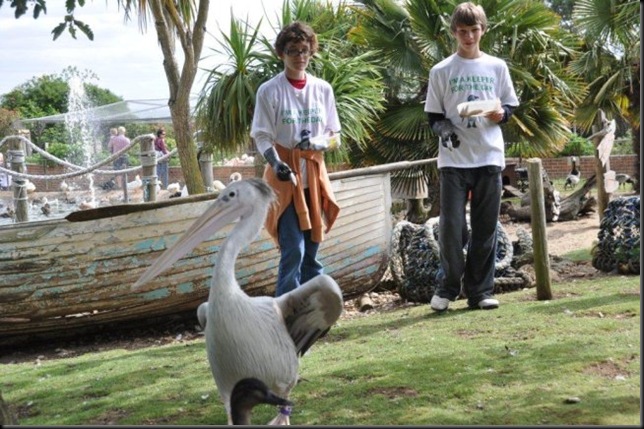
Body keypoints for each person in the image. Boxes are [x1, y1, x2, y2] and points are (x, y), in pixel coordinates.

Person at [424, 2, 519, 312]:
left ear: (483, 30)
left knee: (485, 227)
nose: (468, 36)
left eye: (473, 30)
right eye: (462, 31)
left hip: (489, 156)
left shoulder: (497, 66)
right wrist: (445, 132)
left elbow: (509, 109)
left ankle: (480, 291)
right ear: (454, 33)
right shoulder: (441, 70)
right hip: (453, 161)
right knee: (452, 228)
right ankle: (447, 288)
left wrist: (499, 113)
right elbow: (434, 116)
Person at [250, 21, 341, 297]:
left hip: (313, 174)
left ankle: (317, 311)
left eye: (304, 50)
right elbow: (261, 134)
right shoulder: (270, 90)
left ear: (311, 51)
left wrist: (317, 143)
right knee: (293, 250)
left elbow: (336, 135)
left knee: (312, 248)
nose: (300, 57)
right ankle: (284, 313)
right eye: (293, 51)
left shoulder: (322, 89)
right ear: (281, 54)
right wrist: (275, 162)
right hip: (284, 178)